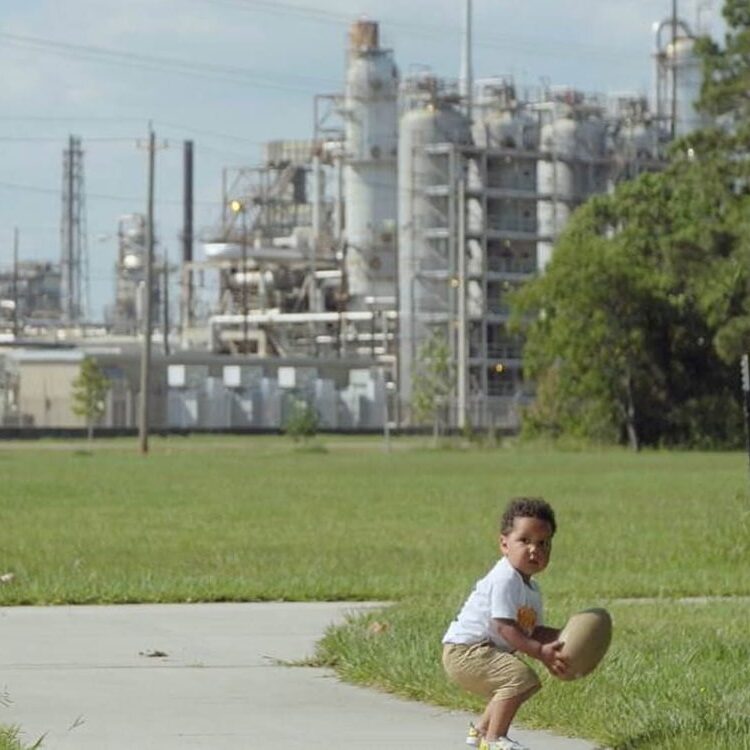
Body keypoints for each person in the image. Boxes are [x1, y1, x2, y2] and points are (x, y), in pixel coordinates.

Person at [441, 497, 568, 750]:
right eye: (525, 540)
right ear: (504, 544)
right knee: (519, 678)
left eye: (543, 543)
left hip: (482, 651)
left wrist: (567, 638)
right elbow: (504, 627)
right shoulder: (505, 577)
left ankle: (480, 732)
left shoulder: (531, 588)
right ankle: (494, 739)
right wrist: (539, 652)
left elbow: (535, 631)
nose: (535, 549)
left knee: (524, 685)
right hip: (465, 652)